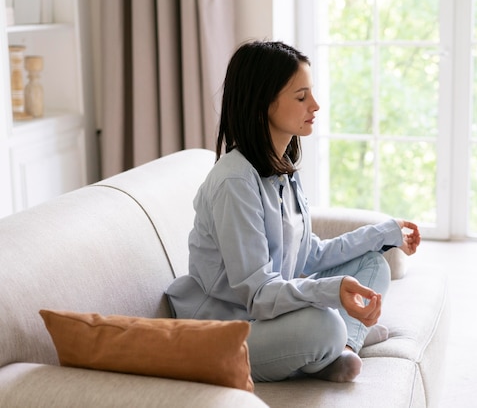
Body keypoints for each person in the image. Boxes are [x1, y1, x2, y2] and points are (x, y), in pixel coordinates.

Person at [166, 40, 420, 383]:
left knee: (373, 265)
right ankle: (340, 341)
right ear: (262, 104)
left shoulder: (282, 171)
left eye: (311, 94)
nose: (315, 105)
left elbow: (309, 255)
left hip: (267, 319)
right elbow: (256, 294)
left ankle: (341, 348)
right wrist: (332, 292)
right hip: (225, 329)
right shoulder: (234, 181)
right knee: (325, 325)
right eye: (301, 97)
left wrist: (384, 233)